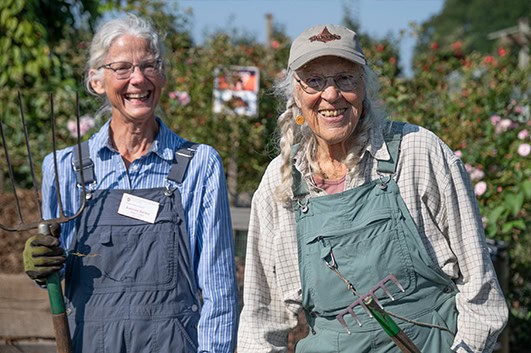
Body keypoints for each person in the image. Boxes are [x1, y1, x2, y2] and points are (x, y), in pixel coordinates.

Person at [237, 24, 508, 353]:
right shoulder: (281, 184)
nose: (331, 94)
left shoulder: (416, 153)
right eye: (314, 81)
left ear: (364, 85)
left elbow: (481, 292)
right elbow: (261, 320)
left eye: (345, 78)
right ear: (296, 93)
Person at [22, 14, 238, 353]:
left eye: (149, 66)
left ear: (163, 75)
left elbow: (219, 289)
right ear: (95, 80)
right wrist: (40, 265)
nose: (138, 79)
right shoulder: (64, 168)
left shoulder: (198, 165)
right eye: (122, 68)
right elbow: (54, 270)